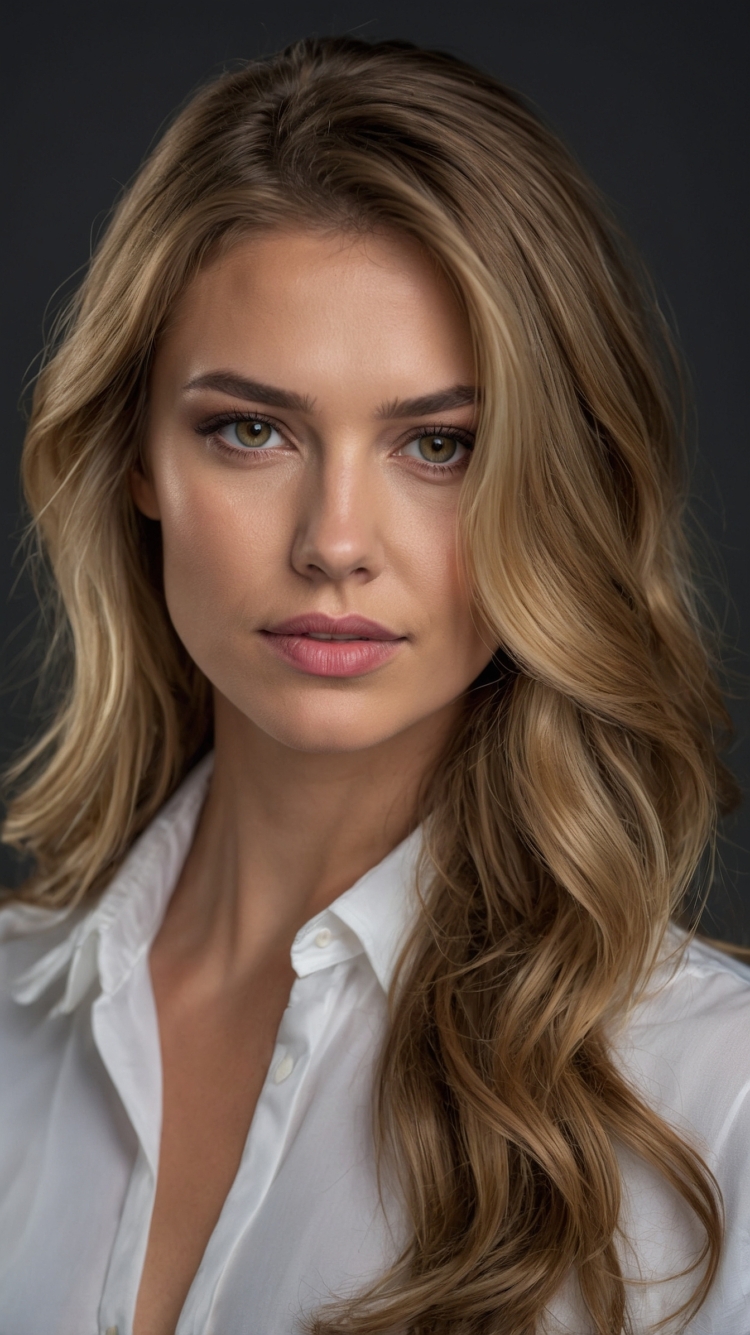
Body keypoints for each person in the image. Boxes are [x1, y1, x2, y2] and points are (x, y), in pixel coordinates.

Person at [0, 34, 747, 1335]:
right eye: (251, 429)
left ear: (554, 483)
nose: (335, 540)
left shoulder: (712, 1099)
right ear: (133, 460)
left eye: (440, 445)